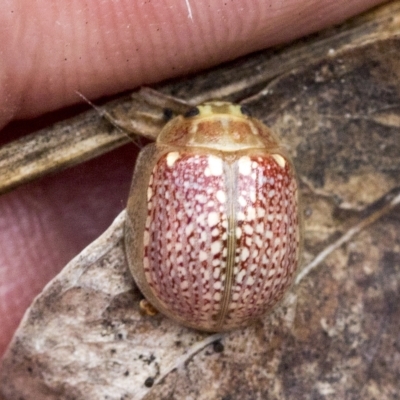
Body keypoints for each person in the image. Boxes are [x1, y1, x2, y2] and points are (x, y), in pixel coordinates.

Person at [0, 0, 384, 359]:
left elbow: (143, 211)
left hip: (187, 290)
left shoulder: (171, 159)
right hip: (249, 294)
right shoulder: (274, 165)